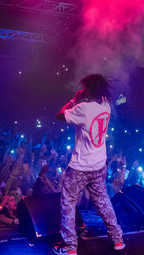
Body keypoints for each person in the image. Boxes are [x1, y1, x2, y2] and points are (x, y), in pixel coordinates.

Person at [53, 74, 124, 255]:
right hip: (99, 165)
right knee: (103, 202)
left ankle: (70, 248)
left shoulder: (83, 108)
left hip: (80, 167)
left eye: (85, 87)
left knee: (68, 203)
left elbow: (60, 115)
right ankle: (118, 240)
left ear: (90, 89)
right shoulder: (106, 106)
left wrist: (73, 100)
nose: (82, 90)